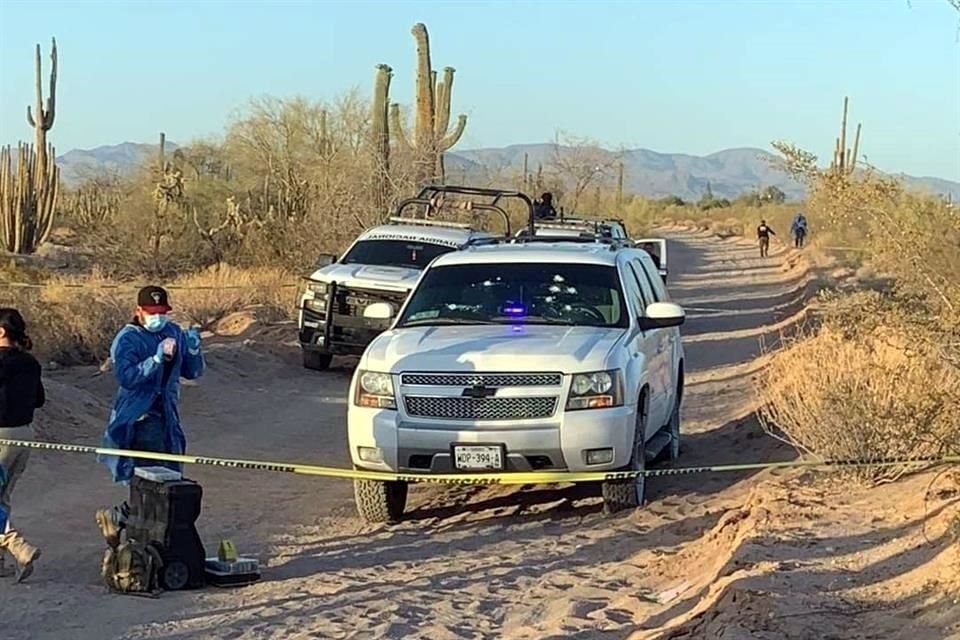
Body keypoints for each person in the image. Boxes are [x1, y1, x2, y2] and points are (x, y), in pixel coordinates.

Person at [95, 286, 204, 546]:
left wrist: (193, 351)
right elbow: (127, 377)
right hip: (140, 416)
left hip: (168, 415)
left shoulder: (173, 332)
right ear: (139, 311)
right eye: (152, 312)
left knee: (171, 477)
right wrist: (155, 360)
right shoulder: (127, 339)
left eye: (162, 312)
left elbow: (192, 372)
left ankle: (124, 519)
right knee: (154, 479)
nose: (158, 317)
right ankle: (141, 534)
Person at [0, 308, 45, 582]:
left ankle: (17, 546)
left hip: (1, 436)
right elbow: (39, 400)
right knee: (2, 498)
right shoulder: (30, 362)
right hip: (23, 435)